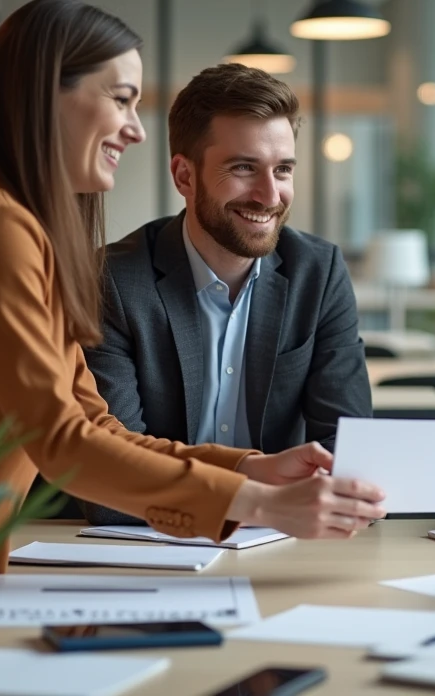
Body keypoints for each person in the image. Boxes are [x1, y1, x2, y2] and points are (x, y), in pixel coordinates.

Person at [0, 0, 386, 573]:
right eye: (121, 99)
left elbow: (95, 426)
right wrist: (261, 504)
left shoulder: (17, 228)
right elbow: (64, 443)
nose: (135, 130)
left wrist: (246, 468)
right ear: (47, 96)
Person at [78, 64, 371, 526]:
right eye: (243, 168)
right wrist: (256, 502)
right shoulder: (112, 279)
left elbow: (350, 453)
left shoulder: (319, 272)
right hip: (154, 543)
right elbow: (111, 477)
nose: (269, 195)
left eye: (283, 170)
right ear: (184, 176)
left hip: (283, 545)